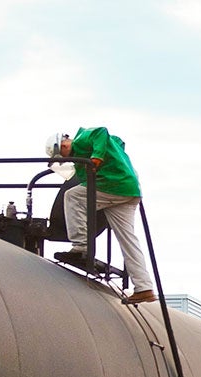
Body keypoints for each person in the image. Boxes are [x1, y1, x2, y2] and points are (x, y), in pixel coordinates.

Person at [47, 128, 155, 304]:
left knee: (73, 196)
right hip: (128, 190)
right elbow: (118, 141)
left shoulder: (82, 138)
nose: (65, 159)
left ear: (64, 143)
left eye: (62, 155)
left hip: (113, 186)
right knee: (128, 239)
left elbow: (101, 132)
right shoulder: (83, 156)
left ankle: (81, 246)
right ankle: (144, 287)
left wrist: (97, 157)